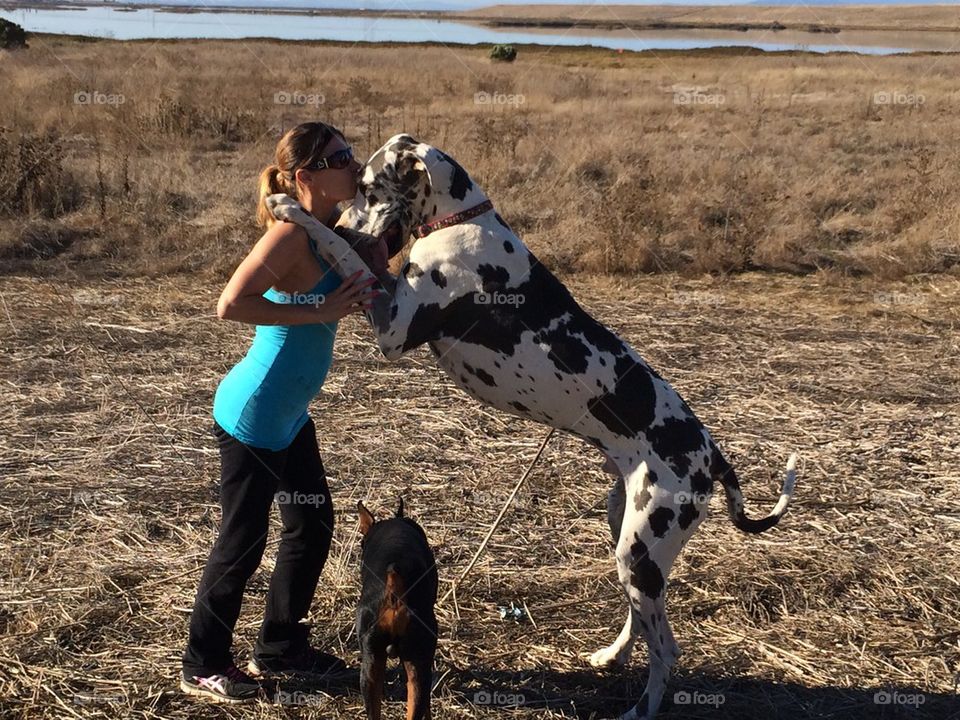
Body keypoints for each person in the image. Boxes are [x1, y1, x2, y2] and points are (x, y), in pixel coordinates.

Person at [181, 121, 384, 703]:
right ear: (306, 176)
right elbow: (230, 304)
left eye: (352, 152)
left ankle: (279, 644)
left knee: (312, 525)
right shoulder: (289, 238)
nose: (354, 164)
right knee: (240, 544)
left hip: (290, 415)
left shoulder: (324, 231)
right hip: (255, 417)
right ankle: (202, 665)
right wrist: (319, 305)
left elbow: (368, 254)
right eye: (341, 157)